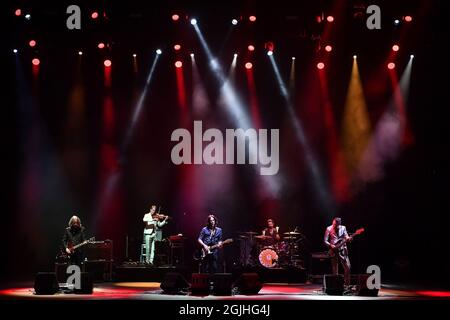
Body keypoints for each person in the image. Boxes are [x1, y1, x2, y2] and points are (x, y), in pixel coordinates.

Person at [324, 217, 352, 286]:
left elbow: (346, 236)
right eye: (334, 224)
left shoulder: (343, 228)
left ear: (339, 224)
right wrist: (330, 245)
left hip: (342, 249)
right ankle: (336, 286)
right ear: (333, 222)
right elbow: (325, 240)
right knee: (335, 269)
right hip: (333, 250)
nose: (335, 226)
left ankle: (347, 285)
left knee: (347, 267)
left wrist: (348, 238)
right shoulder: (328, 228)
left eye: (336, 225)